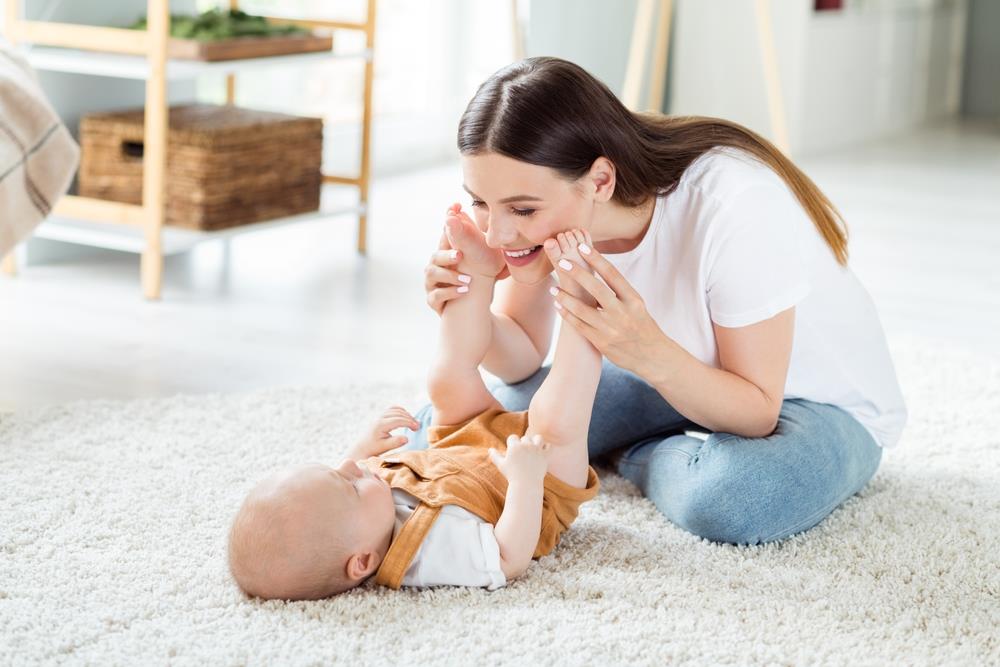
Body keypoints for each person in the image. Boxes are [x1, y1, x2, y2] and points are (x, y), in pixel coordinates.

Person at [416, 56, 908, 546]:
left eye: (522, 209)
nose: (498, 232)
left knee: (736, 496)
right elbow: (520, 353)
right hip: (663, 372)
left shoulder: (734, 204)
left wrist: (645, 351)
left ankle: (634, 455)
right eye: (481, 202)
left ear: (600, 181)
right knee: (467, 431)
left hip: (811, 403)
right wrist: (471, 296)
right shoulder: (545, 221)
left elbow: (758, 410)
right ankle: (628, 441)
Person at [227, 230, 601, 600]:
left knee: (445, 383)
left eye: (334, 468)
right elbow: (509, 557)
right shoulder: (423, 555)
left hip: (459, 444)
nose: (352, 466)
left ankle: (478, 270)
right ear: (362, 563)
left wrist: (366, 446)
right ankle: (582, 299)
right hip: (536, 486)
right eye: (350, 485)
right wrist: (526, 482)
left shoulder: (354, 517)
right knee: (556, 418)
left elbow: (351, 473)